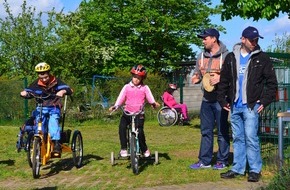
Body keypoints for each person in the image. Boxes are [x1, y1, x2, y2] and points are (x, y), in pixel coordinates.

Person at [217, 26, 278, 182]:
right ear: (242, 39)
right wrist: (222, 100)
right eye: (251, 40)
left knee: (251, 137)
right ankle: (238, 168)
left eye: (256, 40)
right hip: (235, 105)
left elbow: (272, 83)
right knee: (237, 138)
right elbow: (224, 81)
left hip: (251, 106)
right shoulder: (231, 57)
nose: (254, 42)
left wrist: (264, 101)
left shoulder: (262, 58)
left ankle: (254, 170)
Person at [190, 28, 230, 170]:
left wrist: (221, 77)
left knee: (222, 131)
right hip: (206, 100)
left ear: (214, 38)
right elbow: (196, 74)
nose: (203, 40)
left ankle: (222, 160)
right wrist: (195, 78)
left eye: (205, 38)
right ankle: (205, 161)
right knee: (205, 131)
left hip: (221, 99)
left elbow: (234, 76)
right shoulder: (201, 56)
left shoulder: (227, 56)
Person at [20, 62, 73, 154]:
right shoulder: (36, 83)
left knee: (53, 122)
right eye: (41, 77)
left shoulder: (56, 81)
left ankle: (56, 143)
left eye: (46, 77)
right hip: (41, 108)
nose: (44, 79)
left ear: (49, 73)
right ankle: (40, 141)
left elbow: (69, 89)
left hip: (54, 107)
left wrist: (63, 91)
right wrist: (24, 93)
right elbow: (29, 91)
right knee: (39, 123)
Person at [109, 65, 160, 158]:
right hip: (127, 113)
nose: (136, 79)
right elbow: (121, 98)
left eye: (139, 78)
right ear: (132, 76)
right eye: (135, 77)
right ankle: (123, 148)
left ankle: (144, 149)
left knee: (140, 131)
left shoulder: (145, 88)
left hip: (139, 114)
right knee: (122, 127)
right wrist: (115, 106)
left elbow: (149, 97)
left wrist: (153, 103)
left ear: (142, 78)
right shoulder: (126, 87)